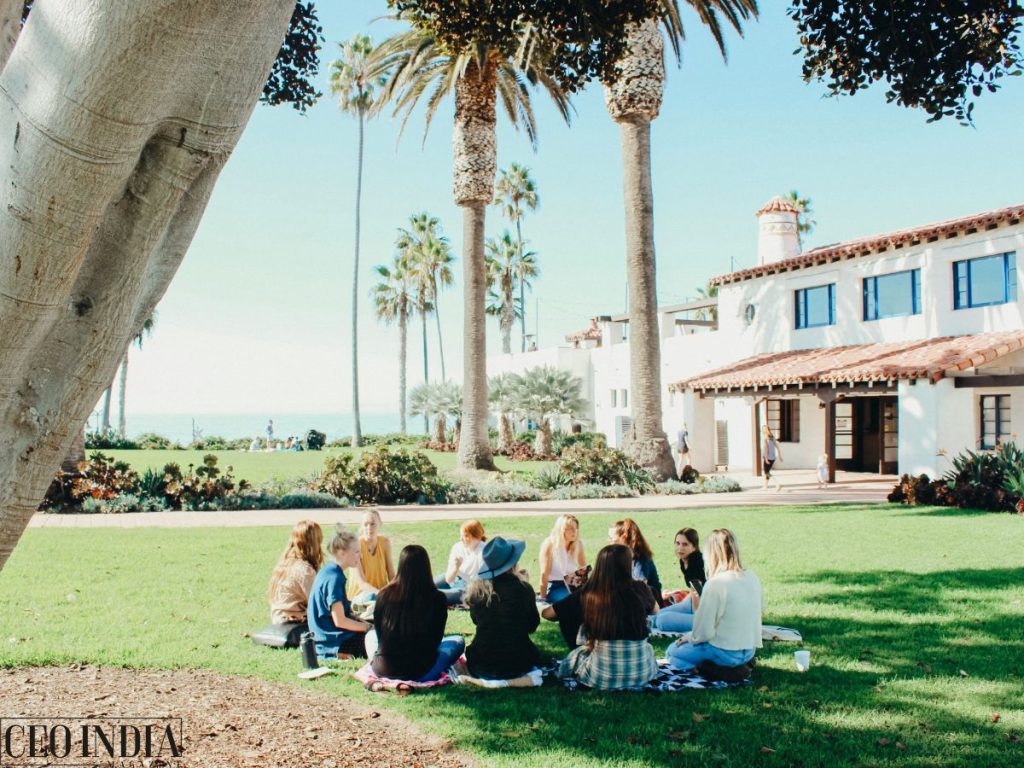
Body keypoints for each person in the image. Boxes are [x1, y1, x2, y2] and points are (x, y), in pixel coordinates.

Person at [556, 544, 659, 690]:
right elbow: (656, 610)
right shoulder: (640, 588)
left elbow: (548, 614)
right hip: (642, 673)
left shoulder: (589, 592)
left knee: (574, 640)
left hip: (601, 677)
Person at [666, 528, 762, 672]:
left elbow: (704, 633)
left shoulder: (716, 583)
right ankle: (732, 667)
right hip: (749, 651)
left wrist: (689, 638)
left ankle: (714, 670)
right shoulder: (752, 576)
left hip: (725, 652)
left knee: (672, 651)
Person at [364, 545, 465, 682]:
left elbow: (379, 633)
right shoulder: (437, 598)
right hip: (422, 671)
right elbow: (436, 639)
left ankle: (375, 664)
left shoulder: (384, 594)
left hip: (383, 668)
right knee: (458, 641)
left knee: (370, 636)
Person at [464, 537, 542, 679]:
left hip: (480, 663)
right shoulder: (524, 589)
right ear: (513, 563)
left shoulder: (478, 591)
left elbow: (476, 620)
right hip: (518, 663)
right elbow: (532, 625)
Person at [307, 525, 372, 659]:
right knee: (380, 637)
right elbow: (340, 621)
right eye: (356, 552)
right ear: (342, 552)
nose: (360, 556)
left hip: (326, 637)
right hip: (333, 641)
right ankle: (341, 654)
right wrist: (367, 627)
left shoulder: (329, 570)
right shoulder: (334, 578)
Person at [267, 520, 323, 624]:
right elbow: (319, 604)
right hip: (292, 620)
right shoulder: (305, 570)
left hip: (278, 617)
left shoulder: (285, 562)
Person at [651, 528, 706, 634]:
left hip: (704, 608)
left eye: (685, 544)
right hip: (693, 602)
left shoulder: (697, 561)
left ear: (694, 546)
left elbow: (697, 592)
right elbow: (694, 590)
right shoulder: (684, 560)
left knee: (662, 620)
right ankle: (636, 623)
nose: (680, 548)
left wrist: (697, 618)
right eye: (678, 543)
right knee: (658, 614)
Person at [608, 518, 663, 606]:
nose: (609, 542)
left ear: (624, 539)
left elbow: (640, 589)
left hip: (648, 604)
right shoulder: (617, 558)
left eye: (613, 540)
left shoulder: (641, 559)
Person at [346, 509, 395, 603]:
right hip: (360, 598)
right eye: (365, 524)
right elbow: (362, 584)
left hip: (381, 597)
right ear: (361, 526)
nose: (369, 527)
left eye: (373, 524)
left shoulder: (385, 543)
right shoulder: (355, 546)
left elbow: (391, 576)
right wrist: (382, 595)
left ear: (379, 524)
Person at [434, 519, 487, 606]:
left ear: (477, 536)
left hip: (469, 588)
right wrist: (456, 567)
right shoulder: (457, 547)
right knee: (427, 583)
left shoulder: (484, 552)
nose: (461, 539)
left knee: (435, 595)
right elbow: (448, 579)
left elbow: (481, 583)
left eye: (466, 536)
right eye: (461, 536)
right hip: (455, 578)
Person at [538, 514, 586, 604]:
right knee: (570, 601)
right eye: (571, 528)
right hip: (555, 586)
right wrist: (543, 598)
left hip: (574, 583)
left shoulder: (578, 544)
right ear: (561, 529)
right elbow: (544, 573)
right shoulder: (550, 544)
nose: (574, 531)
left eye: (576, 528)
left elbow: (584, 568)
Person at [762, 426, 782, 491]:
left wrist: (766, 459)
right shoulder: (772, 437)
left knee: (766, 472)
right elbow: (777, 447)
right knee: (767, 472)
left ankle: (777, 484)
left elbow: (766, 449)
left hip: (768, 458)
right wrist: (780, 456)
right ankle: (765, 487)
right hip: (773, 458)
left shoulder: (765, 438)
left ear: (764, 430)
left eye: (762, 430)